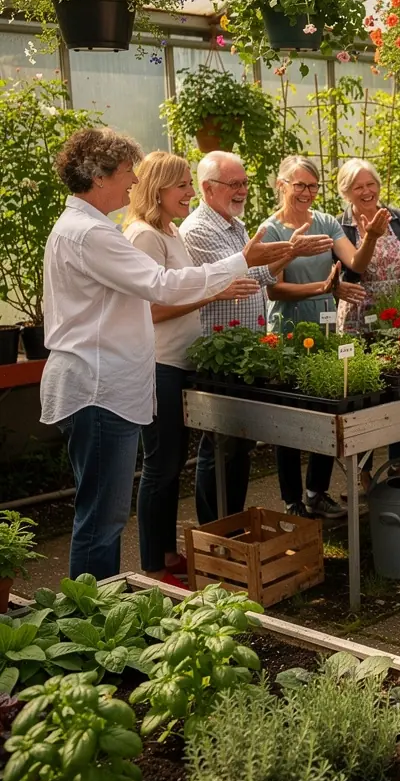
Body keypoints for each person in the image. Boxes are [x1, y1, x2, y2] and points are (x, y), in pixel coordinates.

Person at [39, 128, 297, 580]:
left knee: (102, 516)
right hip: (99, 389)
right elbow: (161, 286)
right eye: (125, 173)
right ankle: (89, 620)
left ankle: (92, 614)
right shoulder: (91, 235)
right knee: (102, 521)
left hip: (100, 384)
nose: (133, 181)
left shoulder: (86, 228)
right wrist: (243, 259)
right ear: (99, 178)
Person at [123, 152, 260, 586]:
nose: (189, 193)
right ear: (158, 189)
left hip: (182, 360)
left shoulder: (171, 231)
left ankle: (168, 552)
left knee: (172, 464)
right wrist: (214, 296)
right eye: (182, 185)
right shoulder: (145, 237)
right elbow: (150, 311)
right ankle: (153, 569)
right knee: (160, 468)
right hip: (159, 362)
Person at [179, 151, 333, 524]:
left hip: (245, 349)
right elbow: (231, 279)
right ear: (207, 188)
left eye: (244, 183)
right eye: (234, 184)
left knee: (239, 444)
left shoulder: (237, 226)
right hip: (220, 351)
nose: (242, 190)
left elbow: (261, 277)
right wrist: (289, 251)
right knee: (219, 445)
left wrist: (287, 256)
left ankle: (233, 521)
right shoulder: (198, 229)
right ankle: (215, 526)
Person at [260, 155, 390, 518]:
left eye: (312, 186)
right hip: (288, 332)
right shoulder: (272, 230)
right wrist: (325, 286)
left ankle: (316, 491)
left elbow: (357, 265)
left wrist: (372, 237)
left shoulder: (326, 222)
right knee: (289, 420)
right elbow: (273, 289)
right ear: (281, 184)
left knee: (327, 410)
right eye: (299, 184)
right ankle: (292, 501)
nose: (306, 192)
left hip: (326, 329)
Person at [336, 158, 400, 490]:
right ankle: (364, 470)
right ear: (346, 192)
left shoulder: (398, 219)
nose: (367, 191)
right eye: (358, 187)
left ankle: (396, 464)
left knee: (399, 387)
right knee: (365, 391)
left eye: (371, 184)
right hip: (358, 314)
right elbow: (348, 274)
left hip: (395, 314)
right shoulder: (340, 226)